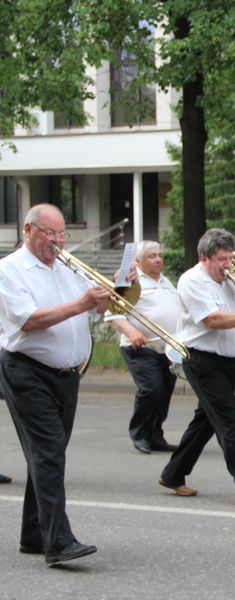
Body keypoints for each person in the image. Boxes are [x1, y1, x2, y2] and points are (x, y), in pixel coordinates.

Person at [0, 203, 109, 565]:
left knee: (48, 455)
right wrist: (81, 304)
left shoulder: (66, 264)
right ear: (27, 231)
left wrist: (111, 297)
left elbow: (94, 311)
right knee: (48, 454)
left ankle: (34, 534)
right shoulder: (10, 269)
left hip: (67, 375)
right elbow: (28, 321)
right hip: (27, 371)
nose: (57, 241)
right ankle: (58, 542)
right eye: (49, 233)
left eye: (62, 233)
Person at [159, 228, 235, 506]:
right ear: (205, 258)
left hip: (227, 361)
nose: (228, 265)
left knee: (205, 422)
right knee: (230, 422)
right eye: (222, 259)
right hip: (201, 360)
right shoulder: (192, 281)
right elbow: (213, 320)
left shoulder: (230, 280)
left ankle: (173, 474)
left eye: (230, 258)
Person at [105, 240, 178, 454]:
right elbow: (112, 313)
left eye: (159, 255)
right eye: (151, 256)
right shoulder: (129, 280)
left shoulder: (166, 282)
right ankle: (140, 434)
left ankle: (156, 435)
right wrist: (131, 332)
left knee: (164, 392)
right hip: (140, 348)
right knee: (151, 389)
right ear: (137, 262)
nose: (158, 259)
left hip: (167, 349)